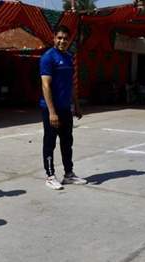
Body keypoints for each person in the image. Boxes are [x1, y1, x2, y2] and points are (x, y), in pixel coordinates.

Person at [39, 25, 87, 190]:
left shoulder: (68, 57)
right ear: (54, 38)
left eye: (65, 38)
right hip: (51, 109)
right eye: (59, 38)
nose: (62, 41)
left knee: (67, 142)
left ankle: (69, 174)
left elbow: (71, 84)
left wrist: (77, 105)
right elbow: (45, 85)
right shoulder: (48, 58)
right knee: (50, 142)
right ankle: (50, 176)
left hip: (66, 108)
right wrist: (52, 112)